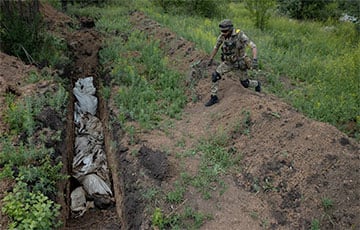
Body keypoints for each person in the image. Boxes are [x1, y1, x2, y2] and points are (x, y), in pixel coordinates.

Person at [205, 19, 260, 107]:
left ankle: (256, 84)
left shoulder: (240, 35)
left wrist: (255, 60)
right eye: (222, 31)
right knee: (215, 75)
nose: (223, 33)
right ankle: (213, 97)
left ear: (230, 29)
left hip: (239, 63)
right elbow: (216, 47)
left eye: (225, 31)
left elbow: (253, 46)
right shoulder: (222, 36)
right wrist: (211, 59)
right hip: (228, 62)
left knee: (245, 83)